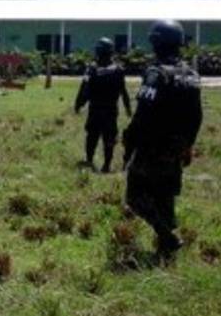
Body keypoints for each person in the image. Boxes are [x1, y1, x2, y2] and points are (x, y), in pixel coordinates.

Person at [122, 20, 203, 258]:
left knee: (135, 197)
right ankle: (167, 255)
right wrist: (188, 145)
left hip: (152, 145)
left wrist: (130, 140)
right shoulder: (191, 75)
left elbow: (143, 113)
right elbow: (197, 115)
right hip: (176, 146)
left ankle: (167, 236)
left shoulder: (156, 73)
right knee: (165, 198)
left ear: (156, 43)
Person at [74, 38, 131, 173]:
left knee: (92, 136)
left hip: (95, 109)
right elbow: (124, 91)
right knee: (109, 138)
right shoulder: (118, 70)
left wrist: (78, 104)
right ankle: (106, 164)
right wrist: (128, 108)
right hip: (111, 110)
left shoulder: (92, 69)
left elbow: (84, 90)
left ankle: (89, 160)